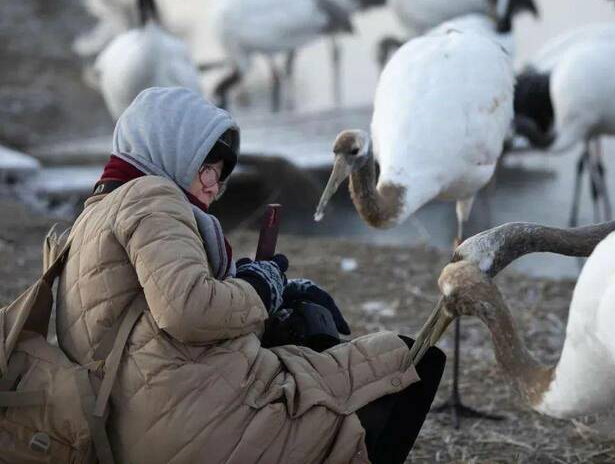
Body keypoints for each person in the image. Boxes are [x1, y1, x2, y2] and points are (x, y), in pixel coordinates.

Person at [56, 87, 445, 464]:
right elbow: (187, 311)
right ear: (168, 147)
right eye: (204, 166)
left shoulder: (97, 214)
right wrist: (260, 288)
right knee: (412, 360)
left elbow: (154, 318)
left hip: (146, 418)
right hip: (196, 425)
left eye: (221, 172)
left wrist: (273, 292)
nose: (213, 183)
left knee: (318, 342)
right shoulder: (151, 198)